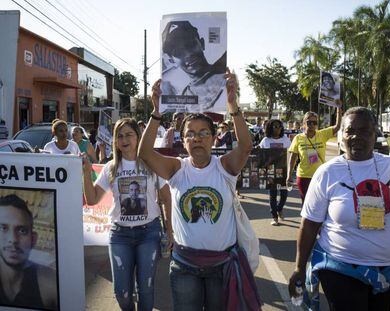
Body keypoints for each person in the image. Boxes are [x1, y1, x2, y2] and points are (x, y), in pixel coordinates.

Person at [138, 70, 261, 310]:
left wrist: (232, 104)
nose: (197, 138)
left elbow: (246, 146)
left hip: (221, 265)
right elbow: (144, 153)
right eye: (190, 134)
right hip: (185, 266)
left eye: (204, 133)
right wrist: (157, 112)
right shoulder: (177, 169)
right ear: (182, 141)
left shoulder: (224, 167)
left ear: (214, 139)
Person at [288, 107, 390, 311]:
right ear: (341, 134)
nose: (356, 136)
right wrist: (299, 268)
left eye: (364, 131)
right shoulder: (327, 172)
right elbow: (309, 224)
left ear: (375, 133)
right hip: (340, 268)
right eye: (350, 130)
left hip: (389, 270)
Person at [82, 118, 173, 311]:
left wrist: (170, 230)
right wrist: (86, 174)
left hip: (149, 233)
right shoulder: (111, 168)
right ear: (115, 141)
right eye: (120, 136)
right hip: (120, 235)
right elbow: (92, 200)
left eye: (129, 134)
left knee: (146, 288)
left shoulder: (152, 164)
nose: (124, 139)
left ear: (138, 137)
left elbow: (166, 198)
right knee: (121, 292)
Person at [0, 194, 57, 310]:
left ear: (33, 239)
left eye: (22, 230)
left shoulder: (50, 283)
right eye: (3, 228)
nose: (13, 240)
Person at [161, 21, 226, 110]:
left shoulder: (226, 80)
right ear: (171, 60)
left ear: (202, 43)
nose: (188, 54)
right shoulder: (183, 102)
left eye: (190, 45)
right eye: (178, 52)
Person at [286, 104, 342, 203]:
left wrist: (338, 109)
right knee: (306, 202)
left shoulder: (322, 134)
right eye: (309, 122)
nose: (312, 125)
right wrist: (289, 175)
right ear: (304, 123)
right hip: (304, 176)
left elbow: (337, 127)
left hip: (320, 175)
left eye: (314, 122)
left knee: (319, 202)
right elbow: (293, 158)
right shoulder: (298, 138)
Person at [258, 119, 291, 225]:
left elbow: (291, 155)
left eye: (280, 126)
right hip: (271, 171)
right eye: (275, 126)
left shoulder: (286, 140)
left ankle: (279, 208)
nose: (278, 128)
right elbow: (260, 155)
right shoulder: (265, 141)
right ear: (270, 128)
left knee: (284, 194)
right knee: (272, 195)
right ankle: (274, 217)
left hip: (284, 171)